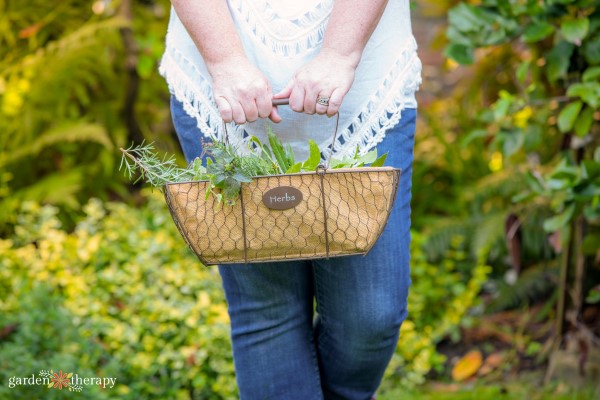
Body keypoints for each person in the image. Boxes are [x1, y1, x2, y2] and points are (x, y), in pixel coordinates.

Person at [160, 0, 421, 398]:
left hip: (364, 83)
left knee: (371, 317)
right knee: (267, 313)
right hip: (223, 86)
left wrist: (339, 53)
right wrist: (225, 60)